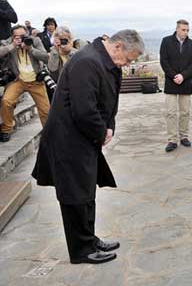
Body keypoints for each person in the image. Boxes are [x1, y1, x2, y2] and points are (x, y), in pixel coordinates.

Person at [31, 30, 144, 265]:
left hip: (82, 139)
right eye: (129, 58)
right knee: (74, 195)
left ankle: (89, 239)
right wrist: (101, 131)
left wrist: (109, 125)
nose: (128, 64)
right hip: (67, 141)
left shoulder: (103, 60)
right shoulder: (87, 62)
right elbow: (84, 109)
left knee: (86, 191)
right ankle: (81, 250)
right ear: (118, 47)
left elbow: (108, 99)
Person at [0, 25, 50, 142]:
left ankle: (49, 133)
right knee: (7, 101)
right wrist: (12, 45)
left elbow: (46, 58)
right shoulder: (8, 42)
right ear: (12, 36)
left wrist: (30, 49)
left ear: (27, 34)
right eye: (17, 36)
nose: (20, 39)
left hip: (36, 81)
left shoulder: (35, 40)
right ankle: (6, 129)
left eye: (22, 36)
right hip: (19, 80)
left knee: (45, 110)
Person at [159, 19, 192, 152]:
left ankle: (184, 137)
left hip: (185, 82)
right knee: (170, 112)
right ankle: (172, 140)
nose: (185, 32)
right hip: (171, 81)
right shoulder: (166, 41)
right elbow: (164, 61)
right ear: (177, 29)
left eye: (187, 30)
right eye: (183, 30)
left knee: (185, 112)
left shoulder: (191, 44)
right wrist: (174, 75)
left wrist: (183, 76)